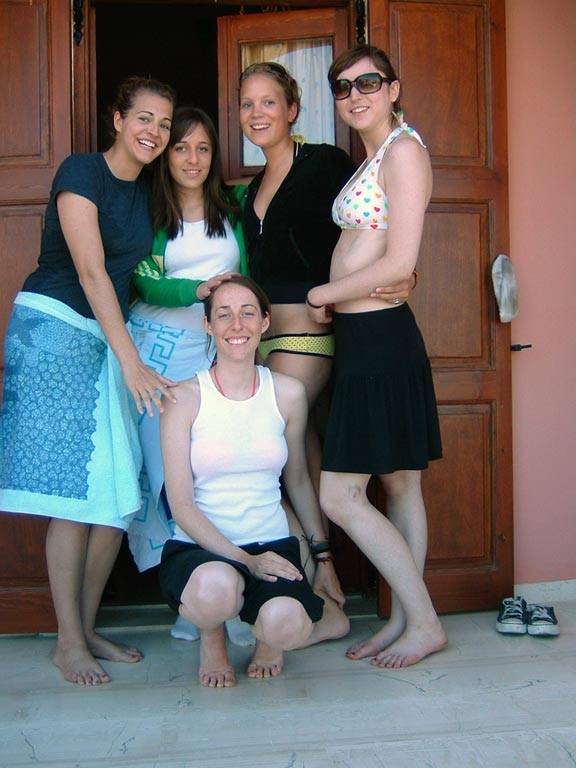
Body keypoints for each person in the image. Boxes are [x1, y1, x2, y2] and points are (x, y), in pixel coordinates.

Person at [0, 76, 177, 685]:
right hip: (55, 330)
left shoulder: (150, 192)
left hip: (107, 338)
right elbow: (92, 273)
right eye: (144, 118)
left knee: (117, 494)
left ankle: (87, 625)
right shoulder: (82, 171)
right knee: (73, 497)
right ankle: (68, 641)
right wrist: (131, 362)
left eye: (164, 123)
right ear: (118, 120)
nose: (154, 131)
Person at [305, 45, 447, 669]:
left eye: (368, 83)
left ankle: (423, 623)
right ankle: (404, 620)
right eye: (342, 87)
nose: (354, 95)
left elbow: (399, 261)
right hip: (366, 337)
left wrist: (324, 294)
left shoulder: (405, 152)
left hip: (381, 339)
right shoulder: (375, 157)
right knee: (400, 483)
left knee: (341, 496)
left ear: (393, 88)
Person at [158, 276, 349, 688]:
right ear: (208, 325)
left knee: (287, 625)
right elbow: (181, 505)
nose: (236, 325)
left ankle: (268, 642)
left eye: (248, 313)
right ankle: (212, 642)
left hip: (272, 544)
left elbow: (298, 481)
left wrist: (323, 559)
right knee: (215, 588)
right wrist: (245, 561)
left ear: (265, 322)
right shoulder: (183, 398)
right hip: (199, 549)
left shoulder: (288, 393)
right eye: (223, 315)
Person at [239, 61, 415, 490]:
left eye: (268, 102)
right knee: (301, 448)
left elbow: (376, 220)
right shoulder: (251, 188)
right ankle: (318, 535)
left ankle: (317, 533)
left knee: (270, 437)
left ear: (292, 110)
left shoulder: (324, 163)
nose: (256, 113)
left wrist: (408, 272)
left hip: (310, 333)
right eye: (246, 104)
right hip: (263, 341)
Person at [127, 106, 253, 644]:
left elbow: (250, 274)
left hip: (220, 351)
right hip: (158, 356)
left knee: (216, 470)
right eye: (181, 147)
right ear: (166, 154)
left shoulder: (234, 207)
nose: (192, 159)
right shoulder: (149, 212)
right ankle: (191, 599)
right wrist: (197, 289)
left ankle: (233, 600)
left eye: (202, 148)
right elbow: (143, 280)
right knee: (167, 477)